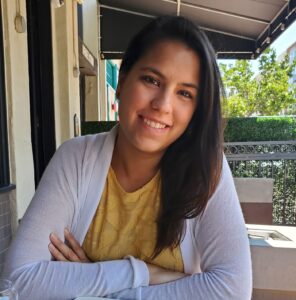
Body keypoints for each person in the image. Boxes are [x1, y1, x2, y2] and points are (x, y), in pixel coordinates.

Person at [3, 16, 252, 299]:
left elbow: (231, 291)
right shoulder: (76, 158)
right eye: (151, 80)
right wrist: (143, 273)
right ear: (122, 83)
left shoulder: (206, 170)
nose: (162, 105)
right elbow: (18, 281)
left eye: (184, 93)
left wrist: (93, 281)